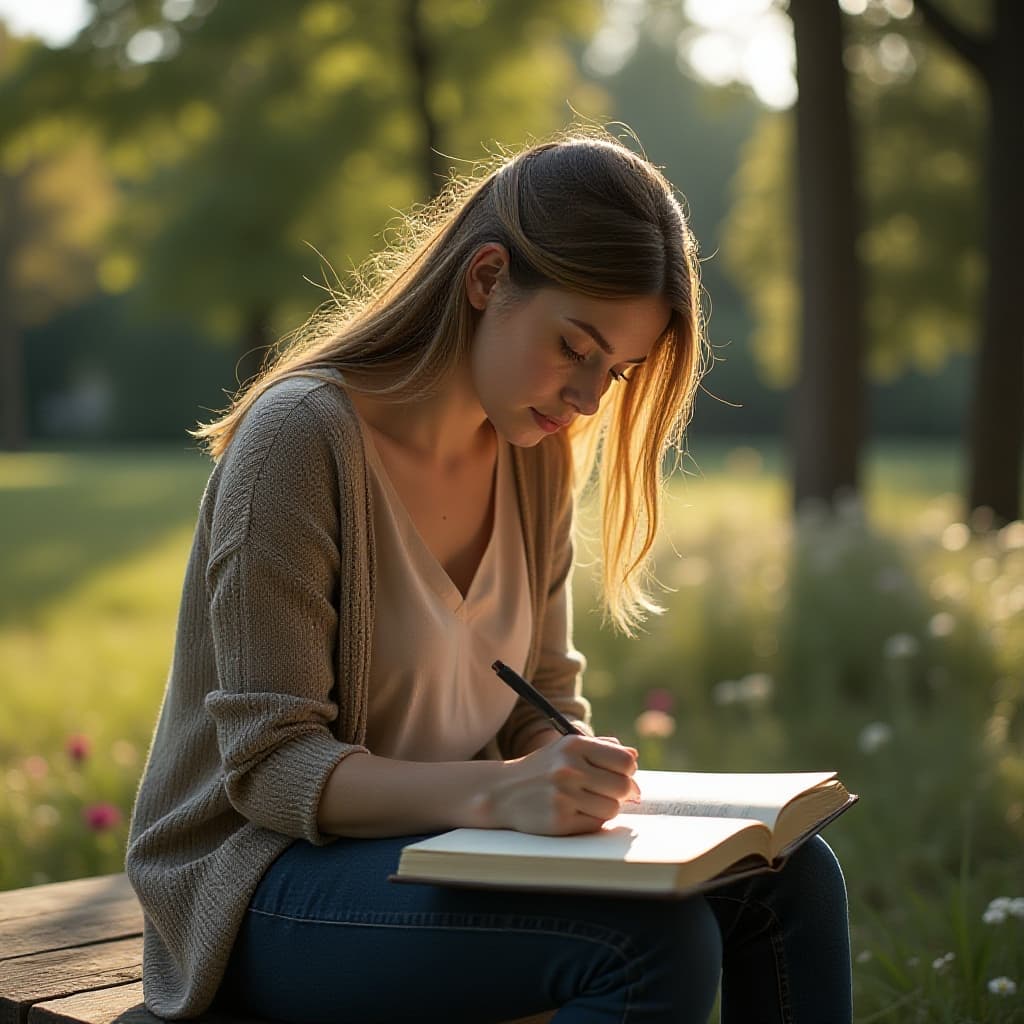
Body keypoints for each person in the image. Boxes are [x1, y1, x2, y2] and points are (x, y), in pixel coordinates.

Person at [125, 128, 852, 1023]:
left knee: (791, 877)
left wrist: (569, 773)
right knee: (645, 946)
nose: (589, 398)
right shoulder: (300, 440)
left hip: (447, 847)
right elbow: (272, 771)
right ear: (486, 280)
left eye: (615, 372)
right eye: (574, 347)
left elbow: (537, 698)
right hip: (259, 886)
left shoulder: (534, 451)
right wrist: (499, 792)